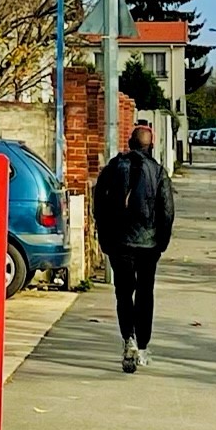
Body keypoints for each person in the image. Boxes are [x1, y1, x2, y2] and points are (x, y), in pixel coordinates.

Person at [93, 122, 175, 373]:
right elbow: (167, 211)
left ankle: (127, 337)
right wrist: (161, 242)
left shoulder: (112, 168)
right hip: (149, 245)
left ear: (130, 143)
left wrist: (104, 239)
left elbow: (99, 207)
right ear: (151, 146)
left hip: (119, 243)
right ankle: (142, 346)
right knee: (145, 293)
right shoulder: (158, 172)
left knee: (123, 292)